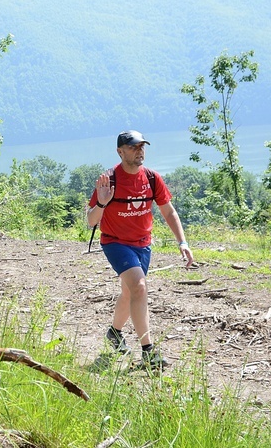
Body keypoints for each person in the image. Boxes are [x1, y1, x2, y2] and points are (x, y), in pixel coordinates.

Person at [87, 130, 194, 370]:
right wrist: (102, 202)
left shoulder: (152, 178)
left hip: (143, 244)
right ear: (120, 151)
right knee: (139, 286)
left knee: (129, 292)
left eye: (141, 146)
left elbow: (169, 211)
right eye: (134, 147)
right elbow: (92, 221)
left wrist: (182, 242)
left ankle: (114, 333)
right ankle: (148, 351)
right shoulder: (109, 180)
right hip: (115, 242)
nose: (139, 151)